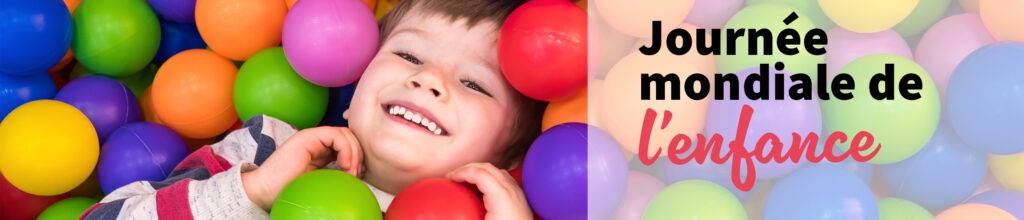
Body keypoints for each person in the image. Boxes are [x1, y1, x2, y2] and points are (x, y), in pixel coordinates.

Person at [82, 0, 545, 218]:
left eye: (473, 83)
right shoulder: (269, 149)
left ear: (508, 161)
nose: (428, 80)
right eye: (409, 56)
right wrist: (254, 191)